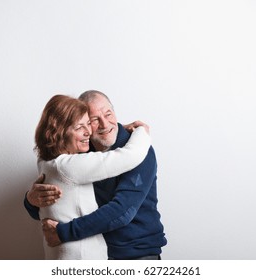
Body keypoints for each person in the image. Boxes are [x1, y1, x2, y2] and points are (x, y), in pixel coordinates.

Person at [25, 90, 167, 260]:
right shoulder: (80, 150)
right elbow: (56, 205)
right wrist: (31, 201)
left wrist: (63, 233)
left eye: (108, 114)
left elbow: (123, 211)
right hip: (98, 255)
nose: (105, 124)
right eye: (93, 120)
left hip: (137, 254)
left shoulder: (141, 151)